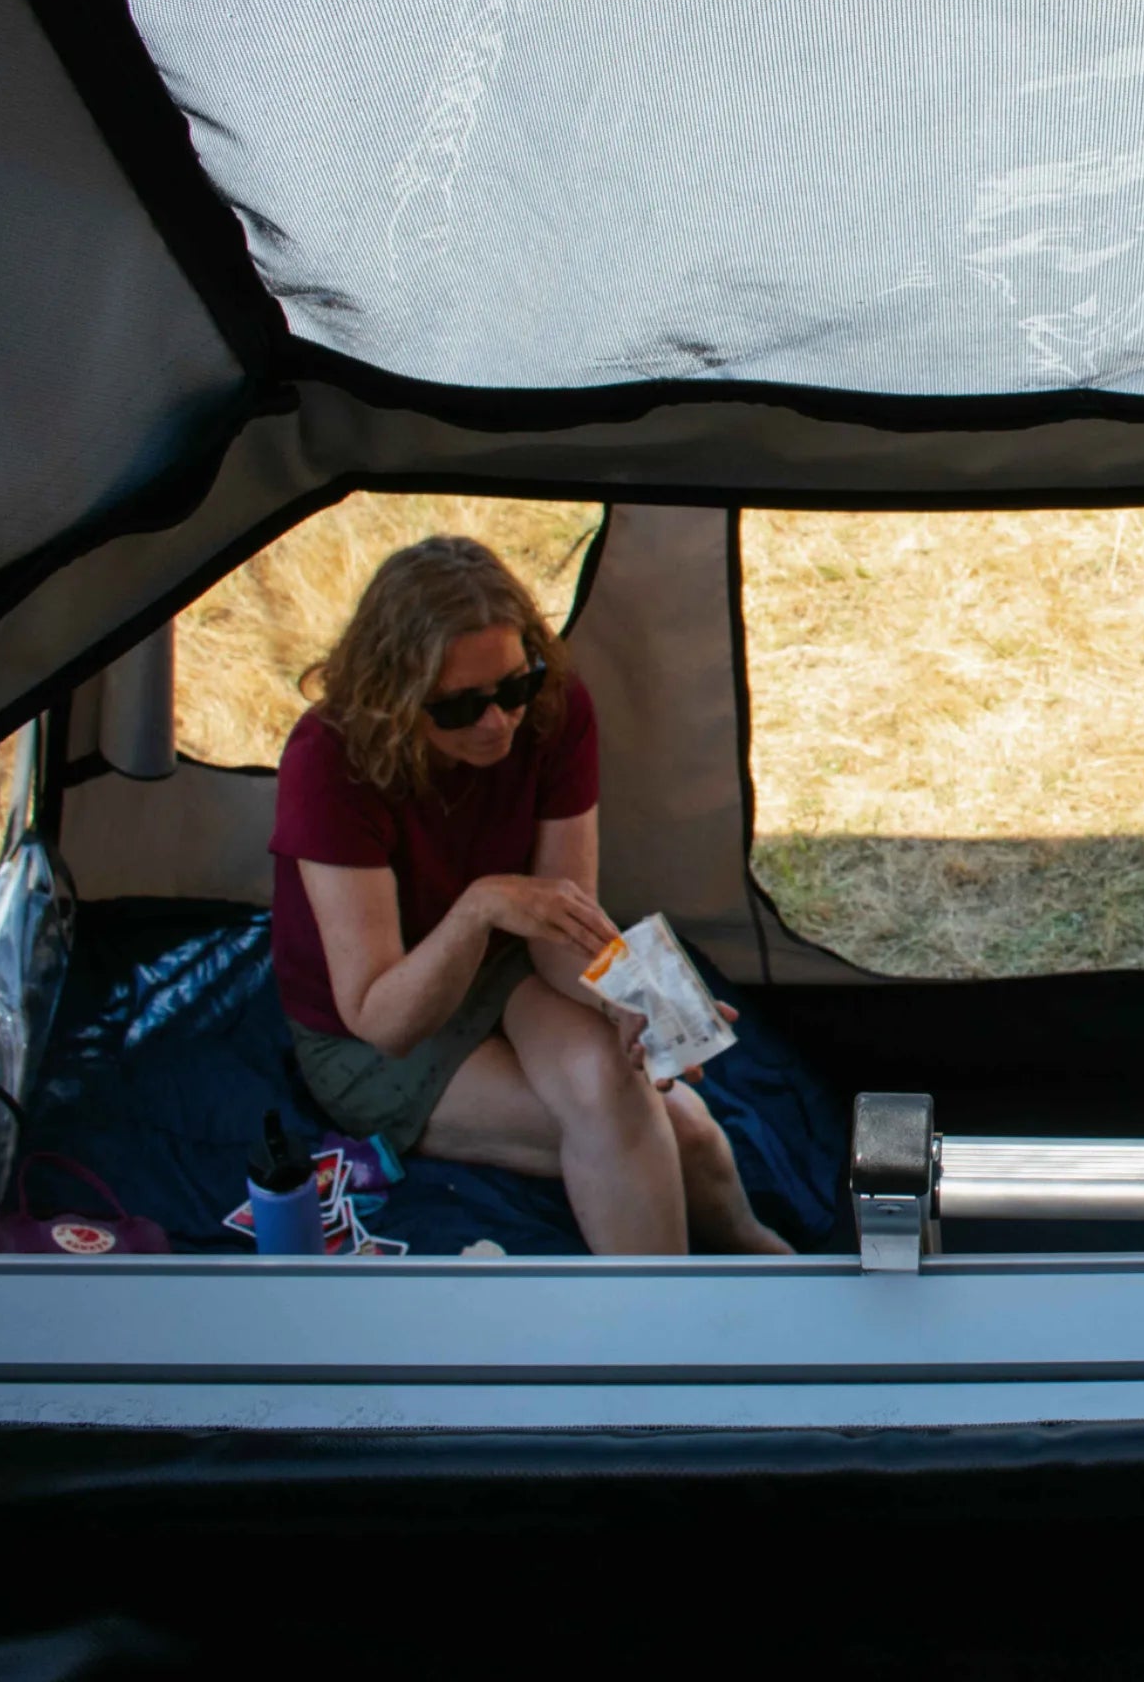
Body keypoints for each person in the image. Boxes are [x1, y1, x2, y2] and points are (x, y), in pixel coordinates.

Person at [271, 536, 789, 1255]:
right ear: (394, 696)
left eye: (513, 688)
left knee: (666, 1119)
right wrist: (481, 907)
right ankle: (665, 1347)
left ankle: (768, 1263)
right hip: (375, 1027)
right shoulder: (328, 761)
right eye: (459, 708)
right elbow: (380, 1019)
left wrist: (630, 1002)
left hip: (507, 964)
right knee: (663, 1128)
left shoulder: (553, 708)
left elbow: (558, 927)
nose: (499, 723)